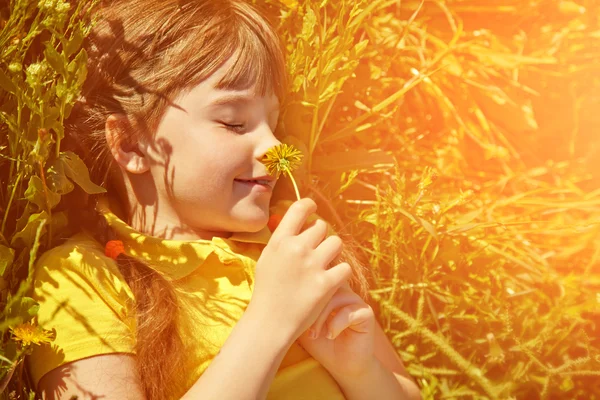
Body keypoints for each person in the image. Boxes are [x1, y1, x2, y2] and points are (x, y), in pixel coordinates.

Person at [27, 0, 421, 399]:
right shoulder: (83, 278)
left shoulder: (296, 240)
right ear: (131, 143)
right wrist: (272, 321)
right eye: (234, 122)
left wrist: (358, 371)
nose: (273, 145)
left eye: (275, 122)